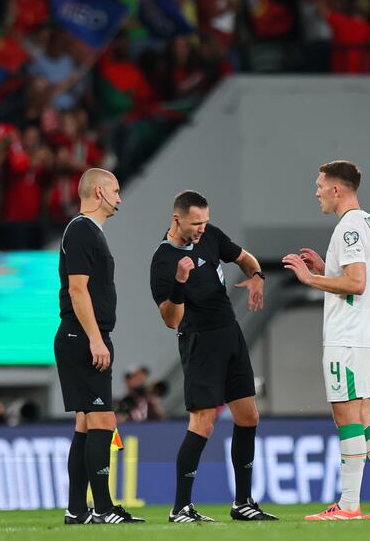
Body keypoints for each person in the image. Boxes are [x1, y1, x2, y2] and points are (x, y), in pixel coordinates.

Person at [282, 160, 370, 520]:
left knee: (347, 416)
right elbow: (354, 278)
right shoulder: (367, 222)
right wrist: (328, 271)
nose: (316, 191)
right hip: (365, 336)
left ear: (337, 189)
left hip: (347, 337)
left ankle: (349, 504)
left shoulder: (349, 227)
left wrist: (310, 279)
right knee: (364, 416)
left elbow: (356, 283)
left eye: (320, 184)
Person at [150, 190, 277, 523]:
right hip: (199, 340)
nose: (202, 228)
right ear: (177, 219)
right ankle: (180, 508)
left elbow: (247, 259)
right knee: (203, 422)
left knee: (248, 416)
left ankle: (243, 502)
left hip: (229, 334)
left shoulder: (211, 236)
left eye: (205, 221)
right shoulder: (163, 261)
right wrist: (179, 281)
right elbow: (171, 319)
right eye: (196, 223)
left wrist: (257, 278)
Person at [53, 167, 143, 525]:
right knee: (103, 418)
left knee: (86, 424)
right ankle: (104, 509)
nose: (120, 198)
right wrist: (94, 338)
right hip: (82, 336)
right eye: (116, 191)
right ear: (100, 192)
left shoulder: (88, 232)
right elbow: (77, 289)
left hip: (82, 335)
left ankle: (77, 509)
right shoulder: (81, 231)